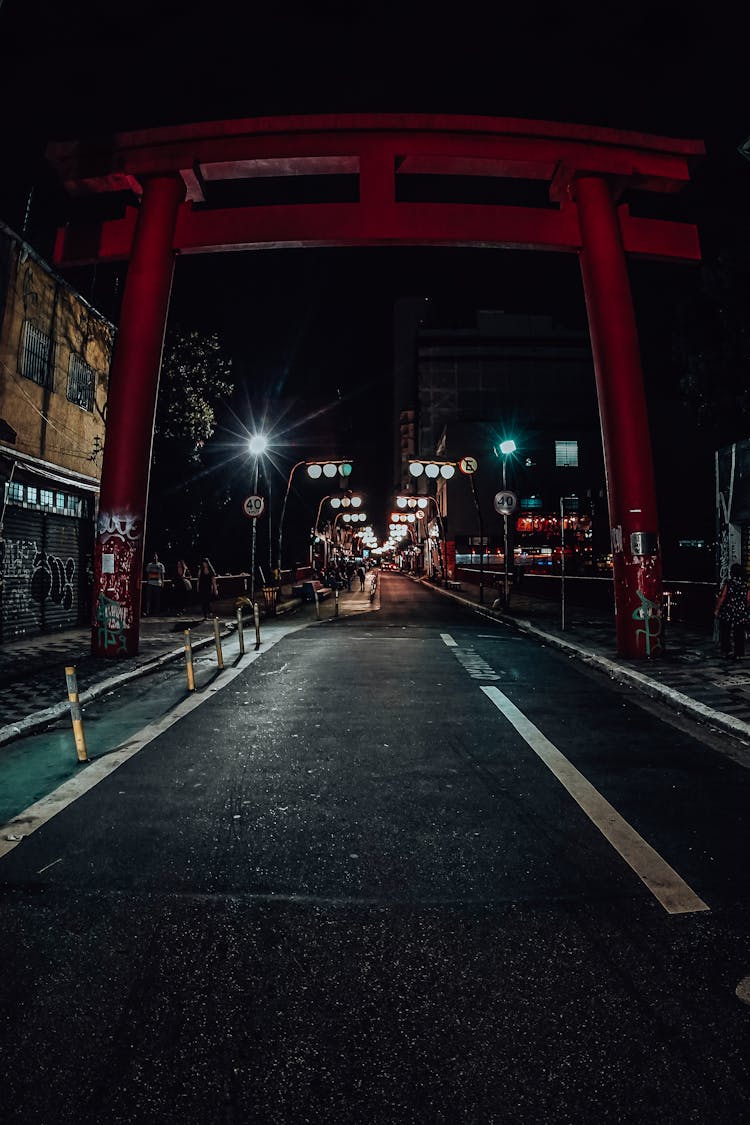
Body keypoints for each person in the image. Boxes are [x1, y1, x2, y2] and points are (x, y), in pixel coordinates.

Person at [715, 562, 750, 661]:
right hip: (741, 611)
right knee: (739, 633)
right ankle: (738, 653)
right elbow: (748, 599)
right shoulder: (745, 584)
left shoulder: (729, 583)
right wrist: (744, 608)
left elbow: (723, 597)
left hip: (728, 610)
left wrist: (717, 609)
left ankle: (727, 650)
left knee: (725, 631)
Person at [143, 552, 165, 616]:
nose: (154, 558)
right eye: (153, 557)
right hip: (150, 583)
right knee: (148, 598)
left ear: (157, 557)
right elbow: (147, 574)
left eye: (156, 557)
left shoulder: (161, 565)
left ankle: (156, 611)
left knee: (157, 598)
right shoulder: (149, 565)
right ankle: (147, 611)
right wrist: (147, 581)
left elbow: (162, 574)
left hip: (157, 584)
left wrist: (163, 582)